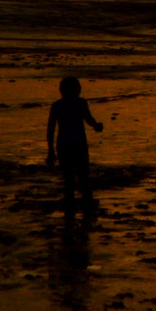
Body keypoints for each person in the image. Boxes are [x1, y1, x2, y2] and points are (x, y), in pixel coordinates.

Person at [46, 76, 103, 213]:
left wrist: (51, 150)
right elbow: (89, 119)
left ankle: (70, 207)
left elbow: (51, 129)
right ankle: (87, 207)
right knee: (83, 176)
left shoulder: (57, 106)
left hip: (63, 145)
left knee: (68, 178)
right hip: (78, 144)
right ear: (78, 89)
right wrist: (96, 126)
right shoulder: (80, 103)